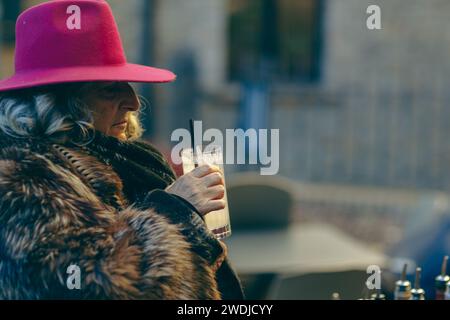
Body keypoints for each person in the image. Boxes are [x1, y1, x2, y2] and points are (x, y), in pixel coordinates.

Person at [0, 0, 244, 299]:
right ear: (56, 102)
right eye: (109, 89)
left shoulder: (128, 160)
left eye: (126, 85)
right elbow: (91, 287)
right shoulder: (21, 179)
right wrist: (176, 212)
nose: (134, 103)